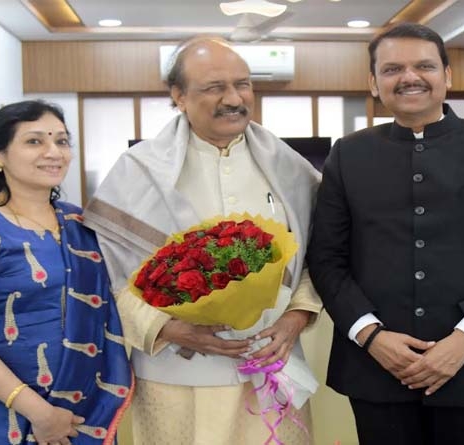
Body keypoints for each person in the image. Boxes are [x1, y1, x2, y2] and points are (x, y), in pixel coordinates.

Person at [307, 23, 464, 445]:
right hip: (377, 366)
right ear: (374, 82)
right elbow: (326, 258)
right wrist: (371, 336)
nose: (409, 77)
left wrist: (463, 339)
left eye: (424, 66)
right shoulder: (348, 153)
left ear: (447, 76)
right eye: (393, 68)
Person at [82, 37, 321, 445]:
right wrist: (170, 328)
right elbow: (107, 276)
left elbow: (320, 256)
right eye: (214, 88)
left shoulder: (290, 168)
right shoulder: (137, 172)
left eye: (242, 84)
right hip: (175, 376)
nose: (234, 98)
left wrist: (295, 317)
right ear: (178, 96)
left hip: (272, 367)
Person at [0, 100, 132, 445]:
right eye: (35, 141)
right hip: (2, 416)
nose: (54, 152)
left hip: (85, 414)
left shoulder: (81, 224)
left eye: (62, 141)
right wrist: (41, 414)